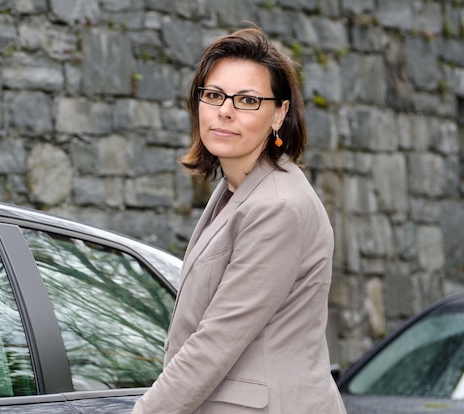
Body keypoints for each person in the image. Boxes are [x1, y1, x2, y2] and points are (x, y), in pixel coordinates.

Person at [132, 24, 347, 414]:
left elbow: (217, 341)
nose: (225, 111)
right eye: (214, 95)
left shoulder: (278, 207)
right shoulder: (238, 189)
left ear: (279, 113)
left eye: (247, 100)